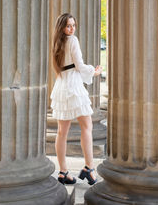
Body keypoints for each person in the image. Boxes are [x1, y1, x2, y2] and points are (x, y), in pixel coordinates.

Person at [50, 13, 102, 186]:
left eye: (73, 25)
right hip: (73, 86)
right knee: (87, 126)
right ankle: (89, 168)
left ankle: (63, 172)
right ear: (62, 28)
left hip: (62, 84)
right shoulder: (72, 40)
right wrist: (94, 72)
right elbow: (79, 66)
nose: (72, 29)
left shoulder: (58, 42)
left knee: (61, 132)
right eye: (68, 26)